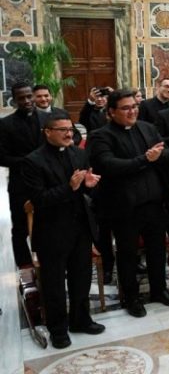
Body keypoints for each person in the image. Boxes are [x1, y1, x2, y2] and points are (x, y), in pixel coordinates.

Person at [88, 89, 169, 317]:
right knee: (127, 254)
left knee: (157, 250)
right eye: (126, 108)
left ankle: (159, 290)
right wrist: (145, 159)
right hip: (124, 207)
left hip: (154, 202)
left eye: (134, 106)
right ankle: (131, 297)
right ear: (111, 111)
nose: (132, 111)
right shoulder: (101, 136)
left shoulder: (147, 128)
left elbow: (167, 153)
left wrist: (157, 156)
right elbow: (108, 165)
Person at [20, 113, 104, 348]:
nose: (69, 134)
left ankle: (81, 320)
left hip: (80, 227)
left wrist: (88, 186)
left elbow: (84, 192)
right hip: (52, 232)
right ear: (47, 132)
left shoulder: (78, 153)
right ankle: (58, 329)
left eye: (70, 129)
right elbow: (39, 199)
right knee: (54, 284)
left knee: (81, 277)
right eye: (62, 130)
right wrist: (70, 187)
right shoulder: (33, 161)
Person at [0, 82, 46, 267]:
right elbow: (2, 157)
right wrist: (30, 161)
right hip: (21, 184)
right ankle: (26, 270)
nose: (27, 101)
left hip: (48, 181)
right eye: (21, 98)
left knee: (49, 225)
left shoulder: (48, 118)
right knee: (20, 229)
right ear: (14, 100)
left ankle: (50, 263)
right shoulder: (5, 124)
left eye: (29, 96)